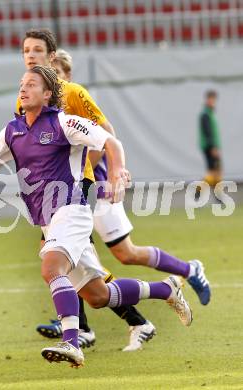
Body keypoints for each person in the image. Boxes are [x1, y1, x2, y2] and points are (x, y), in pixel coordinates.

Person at [0, 65, 193, 367]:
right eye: (22, 84)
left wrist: (115, 172)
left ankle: (72, 342)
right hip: (49, 221)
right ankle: (167, 288)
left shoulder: (65, 122)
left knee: (51, 267)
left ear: (47, 94)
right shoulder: (13, 130)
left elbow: (111, 142)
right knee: (98, 296)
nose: (23, 89)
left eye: (32, 85)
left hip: (72, 210)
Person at [20, 29, 155, 351]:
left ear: (52, 57)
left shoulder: (73, 93)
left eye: (37, 50)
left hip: (74, 190)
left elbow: (107, 134)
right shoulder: (27, 92)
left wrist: (106, 170)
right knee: (80, 266)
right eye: (26, 50)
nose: (30, 55)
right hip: (47, 192)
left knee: (63, 260)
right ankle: (121, 321)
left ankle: (79, 330)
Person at [51, 48, 211, 307]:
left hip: (97, 188)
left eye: (57, 73)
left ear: (68, 74)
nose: (54, 80)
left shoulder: (76, 99)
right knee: (68, 255)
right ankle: (81, 326)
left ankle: (187, 272)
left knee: (124, 253)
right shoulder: (47, 107)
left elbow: (106, 138)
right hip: (71, 195)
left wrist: (94, 173)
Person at [196, 90, 222, 201]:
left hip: (213, 146)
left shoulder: (210, 113)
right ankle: (198, 192)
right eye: (211, 99)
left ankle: (218, 197)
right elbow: (208, 132)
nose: (213, 101)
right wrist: (213, 147)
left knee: (217, 171)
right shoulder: (205, 114)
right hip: (209, 147)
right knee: (212, 172)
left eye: (214, 99)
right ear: (207, 99)